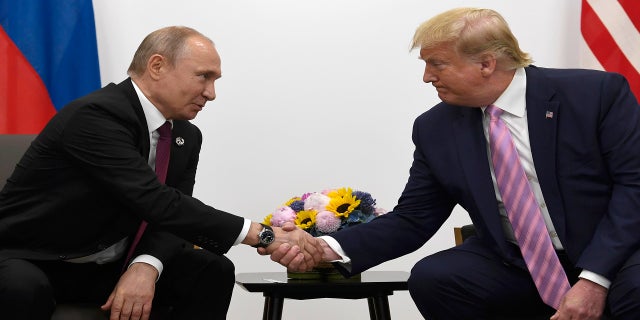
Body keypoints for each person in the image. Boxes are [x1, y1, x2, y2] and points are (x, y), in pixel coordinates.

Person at [269, 7, 640, 320]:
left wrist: (594, 279)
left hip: (614, 254)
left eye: (437, 64)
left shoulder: (594, 95)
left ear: (486, 63)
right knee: (436, 278)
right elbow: (413, 218)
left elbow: (634, 187)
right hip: (519, 263)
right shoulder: (436, 127)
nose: (427, 76)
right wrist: (326, 248)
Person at [0, 26, 321, 320]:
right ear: (157, 66)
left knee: (210, 270)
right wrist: (263, 234)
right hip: (29, 257)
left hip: (104, 264)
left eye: (215, 81)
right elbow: (156, 201)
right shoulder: (94, 117)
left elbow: (173, 216)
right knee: (23, 287)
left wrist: (145, 266)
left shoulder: (185, 135)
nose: (211, 93)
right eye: (203, 77)